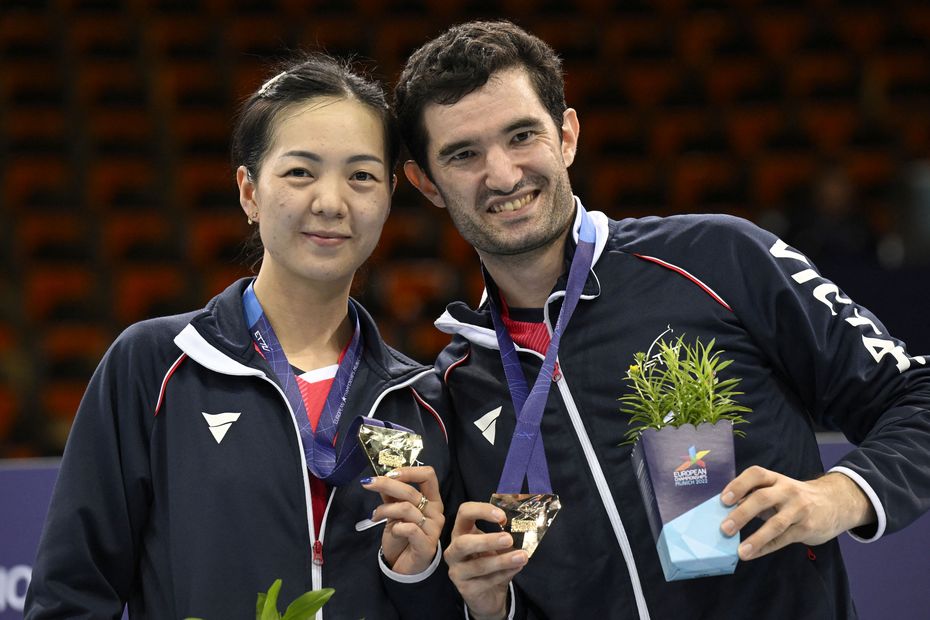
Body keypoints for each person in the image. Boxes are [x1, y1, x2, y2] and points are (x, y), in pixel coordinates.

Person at [393, 20, 930, 619]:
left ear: (566, 136)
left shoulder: (720, 258)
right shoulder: (455, 388)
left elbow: (919, 395)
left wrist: (840, 495)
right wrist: (491, 607)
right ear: (427, 184)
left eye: (522, 136)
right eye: (463, 154)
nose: (502, 175)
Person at [26, 53, 460, 619]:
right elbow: (70, 595)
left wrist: (417, 576)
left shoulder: (423, 402)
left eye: (361, 176)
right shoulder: (155, 366)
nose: (331, 202)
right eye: (300, 171)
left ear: (386, 199)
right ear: (249, 193)